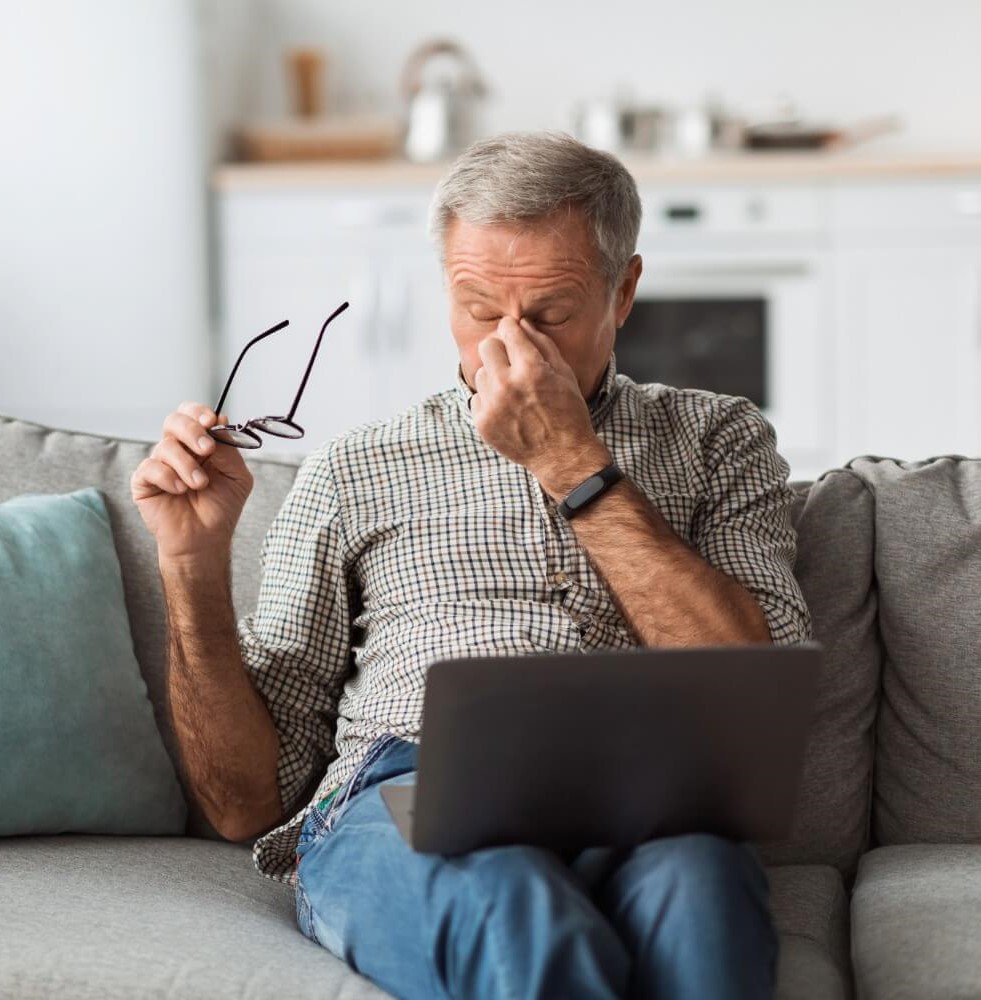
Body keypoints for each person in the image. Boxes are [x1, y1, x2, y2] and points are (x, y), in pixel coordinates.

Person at [131, 131, 811, 1000]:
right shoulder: (358, 467)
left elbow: (753, 684)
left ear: (624, 291)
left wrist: (571, 463)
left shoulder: (717, 438)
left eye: (551, 313)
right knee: (515, 905)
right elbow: (243, 804)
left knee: (703, 897)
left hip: (642, 797)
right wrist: (190, 564)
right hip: (405, 789)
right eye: (479, 309)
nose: (508, 348)